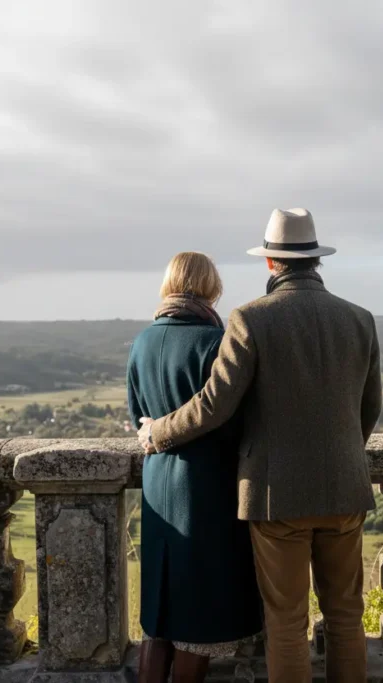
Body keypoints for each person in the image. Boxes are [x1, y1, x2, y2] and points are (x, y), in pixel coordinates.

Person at [138, 209, 383, 683]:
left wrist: (157, 432)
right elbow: (367, 410)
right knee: (346, 617)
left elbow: (213, 406)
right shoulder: (360, 319)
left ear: (271, 263)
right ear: (315, 261)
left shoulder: (249, 319)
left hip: (277, 499)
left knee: (287, 623)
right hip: (347, 492)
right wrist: (342, 457)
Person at [127, 252, 263, 683]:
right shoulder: (214, 343)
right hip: (205, 487)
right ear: (211, 288)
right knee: (199, 616)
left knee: (160, 610)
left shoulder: (142, 341)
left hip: (157, 483)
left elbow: (138, 418)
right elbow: (231, 422)